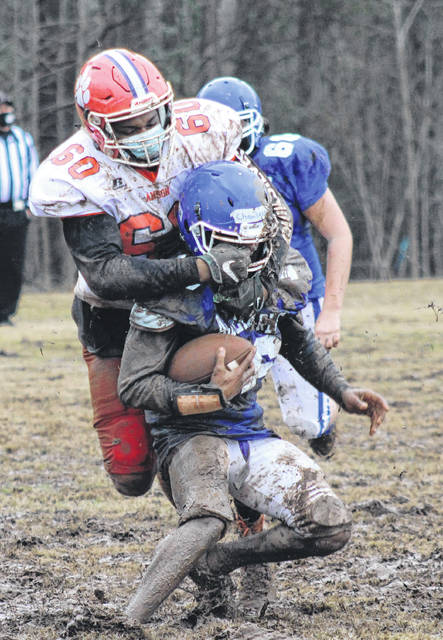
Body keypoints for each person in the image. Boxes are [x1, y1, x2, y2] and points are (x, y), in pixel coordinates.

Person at [117, 160, 389, 623]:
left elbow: (296, 339)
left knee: (330, 525)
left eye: (251, 238)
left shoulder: (275, 271)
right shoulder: (171, 285)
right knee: (207, 519)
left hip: (250, 431)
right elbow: (135, 385)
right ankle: (127, 621)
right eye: (231, 242)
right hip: (187, 437)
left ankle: (221, 563)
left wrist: (341, 391)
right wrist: (211, 396)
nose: (246, 252)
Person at [29, 49, 293, 499]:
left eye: (152, 117)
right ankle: (164, 432)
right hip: (113, 317)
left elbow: (271, 212)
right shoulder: (75, 174)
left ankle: (232, 504)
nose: (146, 132)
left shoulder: (205, 133)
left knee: (226, 395)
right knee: (130, 475)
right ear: (95, 126)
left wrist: (258, 274)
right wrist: (200, 267)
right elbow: (107, 275)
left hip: (190, 308)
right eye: (128, 127)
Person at [197, 77, 353, 458]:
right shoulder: (196, 172)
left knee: (307, 422)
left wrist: (330, 312)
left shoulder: (287, 161)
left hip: (291, 299)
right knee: (223, 400)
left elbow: (339, 234)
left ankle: (323, 423)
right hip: (228, 305)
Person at [0, 91, 39, 325]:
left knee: (13, 262)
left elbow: (33, 173)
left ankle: (5, 312)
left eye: (7, 109)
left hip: (16, 210)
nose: (5, 114)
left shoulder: (23, 140)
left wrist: (30, 208)